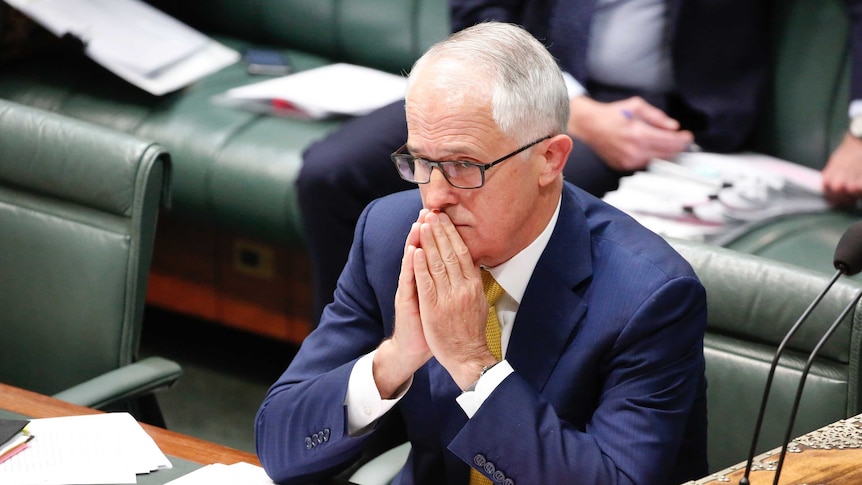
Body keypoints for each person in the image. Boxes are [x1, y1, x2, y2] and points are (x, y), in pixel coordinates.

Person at [257, 22, 708, 485]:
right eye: (422, 163)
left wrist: (472, 362)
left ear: (550, 159)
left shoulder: (650, 297)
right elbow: (279, 446)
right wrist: (396, 357)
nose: (433, 198)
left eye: (462, 166)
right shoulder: (390, 235)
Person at [297, 0, 772, 322]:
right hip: (518, 78)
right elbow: (479, 11)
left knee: (505, 200)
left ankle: (481, 389)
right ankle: (360, 361)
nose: (436, 187)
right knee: (331, 172)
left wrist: (853, 126)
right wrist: (574, 106)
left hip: (657, 109)